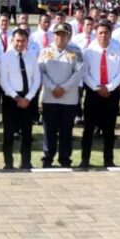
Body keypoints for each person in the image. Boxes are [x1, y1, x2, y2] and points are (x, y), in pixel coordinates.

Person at [81, 20, 120, 168]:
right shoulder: (89, 50)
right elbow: (85, 72)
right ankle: (85, 159)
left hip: (111, 94)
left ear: (110, 34)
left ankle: (108, 160)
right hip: (93, 93)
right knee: (88, 129)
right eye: (100, 33)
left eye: (106, 33)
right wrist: (96, 87)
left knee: (109, 130)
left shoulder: (117, 47)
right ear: (95, 33)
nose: (103, 36)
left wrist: (109, 87)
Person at [39, 23, 83, 168]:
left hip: (69, 99)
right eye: (57, 34)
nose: (60, 37)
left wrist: (63, 88)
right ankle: (47, 158)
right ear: (53, 35)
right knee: (49, 130)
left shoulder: (76, 53)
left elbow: (78, 73)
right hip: (49, 98)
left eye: (63, 34)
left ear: (68, 36)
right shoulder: (45, 52)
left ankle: (65, 159)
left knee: (66, 131)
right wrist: (53, 87)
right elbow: (41, 72)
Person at [0, 29, 41, 170]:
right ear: (12, 41)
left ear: (27, 42)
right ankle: (8, 162)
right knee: (9, 133)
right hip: (11, 98)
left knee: (27, 133)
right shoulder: (6, 57)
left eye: (23, 41)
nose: (20, 43)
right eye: (17, 40)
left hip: (28, 98)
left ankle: (26, 162)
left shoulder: (31, 57)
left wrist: (28, 98)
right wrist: (17, 98)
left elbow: (37, 79)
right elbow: (3, 80)